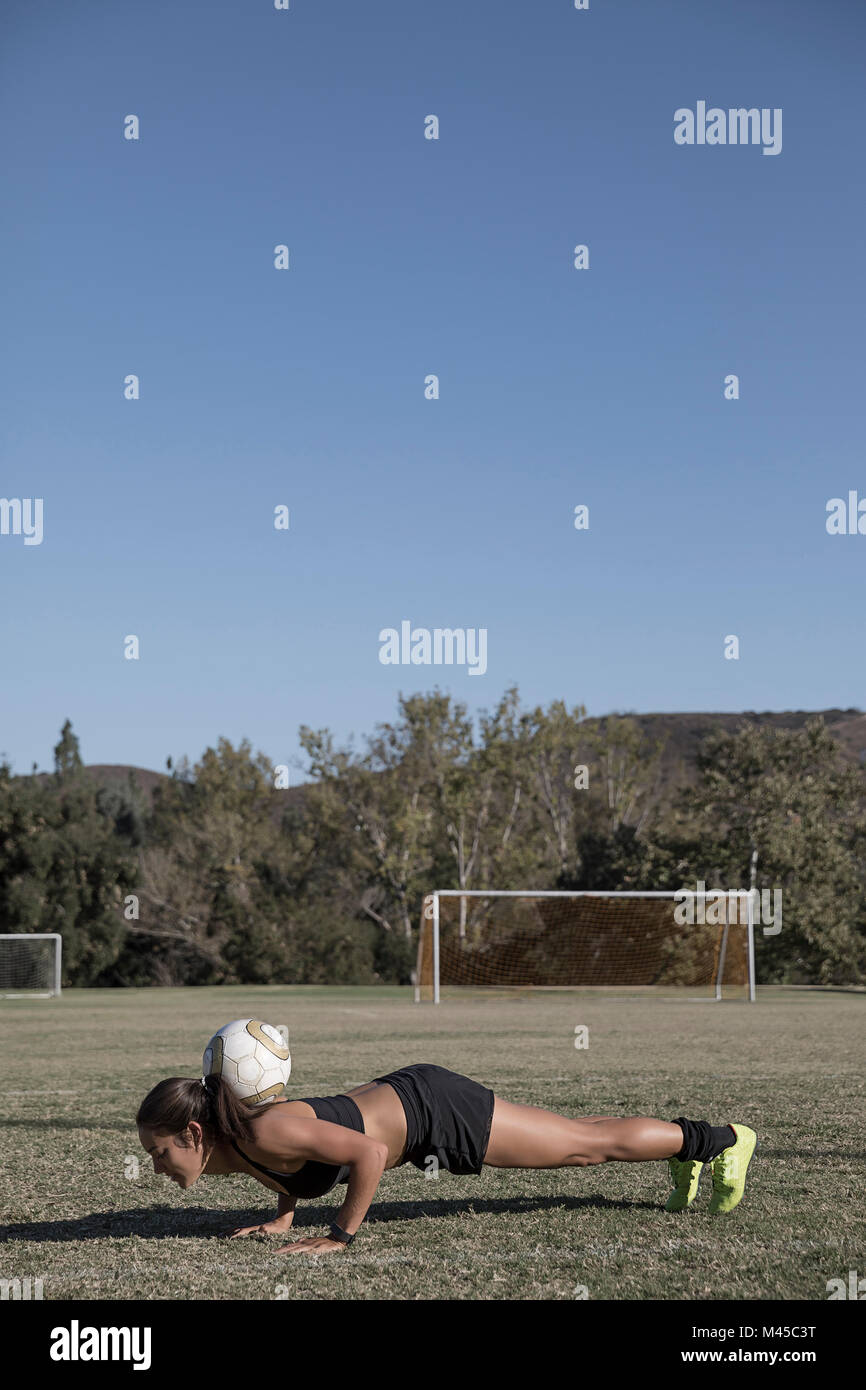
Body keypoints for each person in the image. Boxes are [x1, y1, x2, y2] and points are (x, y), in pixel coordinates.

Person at [136, 1062, 756, 1256]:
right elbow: (294, 1165)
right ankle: (689, 1149)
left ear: (192, 1132)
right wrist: (282, 1217)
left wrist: (341, 1236)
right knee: (580, 1133)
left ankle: (723, 1140)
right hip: (416, 1105)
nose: (158, 1167)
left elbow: (369, 1153)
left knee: (582, 1144)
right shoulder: (231, 1142)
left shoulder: (260, 1130)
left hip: (433, 1109)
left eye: (159, 1153)